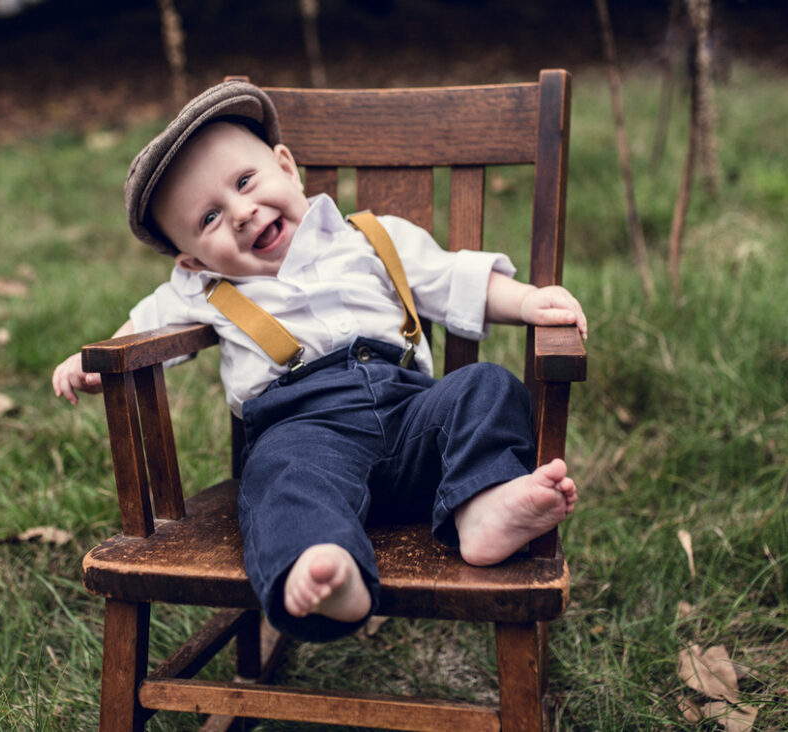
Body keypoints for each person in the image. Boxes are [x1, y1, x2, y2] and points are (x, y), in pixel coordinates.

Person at [52, 81, 587, 642]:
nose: (240, 212)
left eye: (244, 182)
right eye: (209, 218)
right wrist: (94, 361)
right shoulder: (203, 289)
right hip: (306, 431)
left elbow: (456, 279)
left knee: (486, 386)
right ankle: (327, 567)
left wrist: (526, 300)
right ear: (192, 258)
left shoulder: (374, 238)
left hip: (413, 424)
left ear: (286, 166)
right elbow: (142, 327)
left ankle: (481, 505)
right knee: (281, 475)